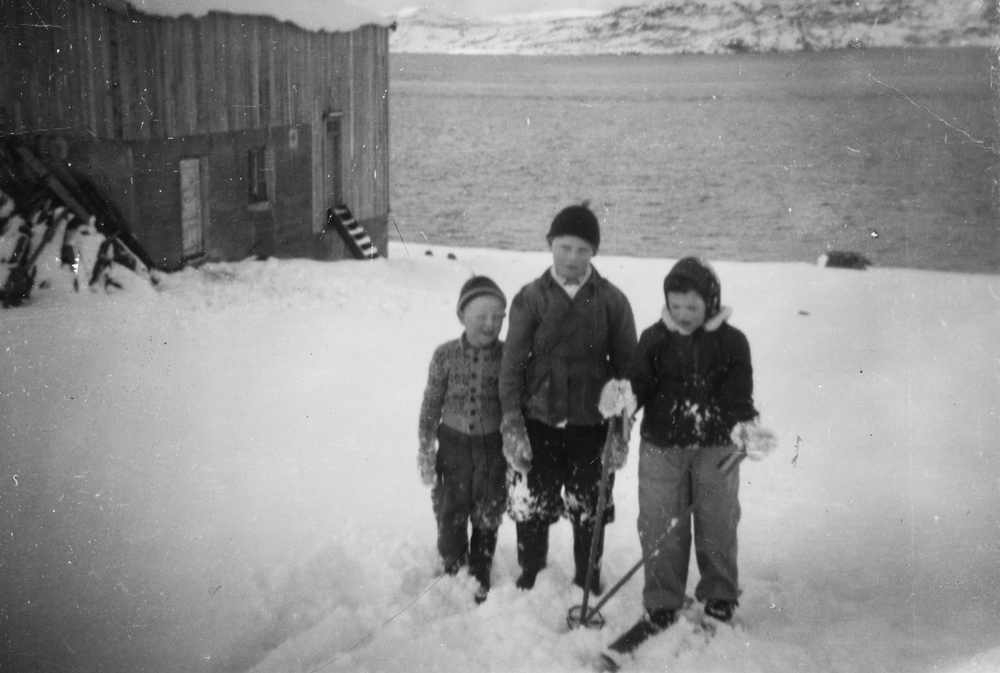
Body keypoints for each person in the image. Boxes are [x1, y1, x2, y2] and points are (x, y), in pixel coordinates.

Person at [610, 256, 773, 654]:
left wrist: (745, 426)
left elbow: (738, 394)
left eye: (693, 307)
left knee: (718, 520)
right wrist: (624, 397)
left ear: (711, 303)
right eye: (676, 306)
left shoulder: (732, 342)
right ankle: (662, 603)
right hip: (662, 447)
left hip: (716, 447)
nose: (683, 316)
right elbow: (639, 383)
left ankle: (719, 598)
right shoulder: (654, 338)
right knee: (660, 523)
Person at [499, 203, 637, 593]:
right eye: (564, 247)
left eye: (581, 249)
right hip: (539, 422)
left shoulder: (612, 301)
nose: (572, 258)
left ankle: (587, 575)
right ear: (550, 245)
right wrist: (512, 422)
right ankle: (531, 573)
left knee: (588, 507)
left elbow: (628, 370)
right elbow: (511, 367)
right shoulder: (530, 298)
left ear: (593, 252)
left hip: (591, 427)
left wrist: (623, 427)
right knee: (533, 505)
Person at [418, 275, 508, 603]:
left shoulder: (509, 356)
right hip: (453, 448)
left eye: (499, 316)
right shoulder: (444, 355)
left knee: (489, 510)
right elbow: (430, 405)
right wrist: (426, 449)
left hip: (492, 450)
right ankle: (454, 564)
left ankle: (481, 568)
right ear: (461, 316)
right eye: (481, 316)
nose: (490, 323)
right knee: (450, 509)